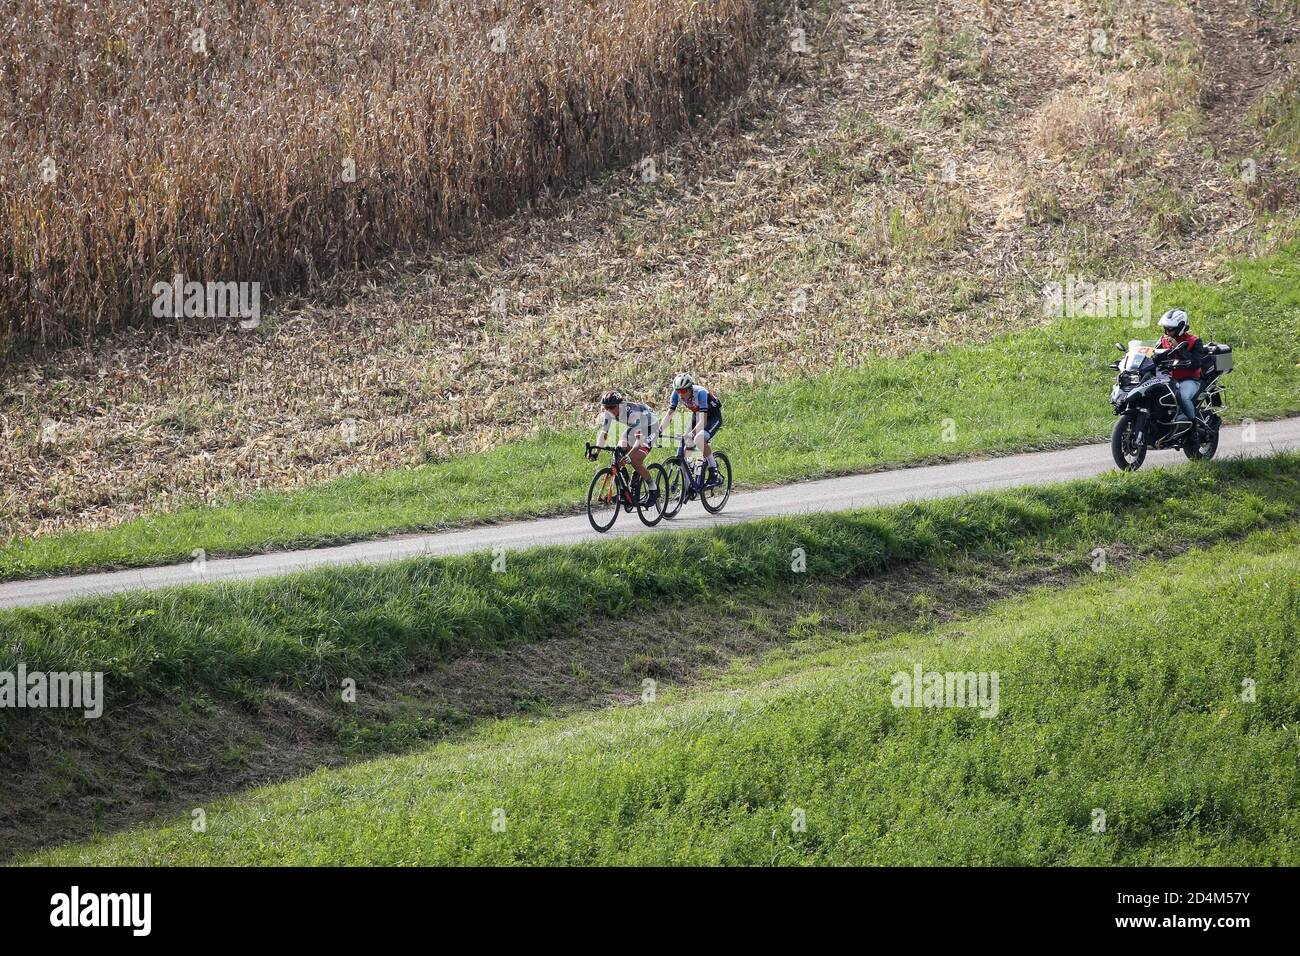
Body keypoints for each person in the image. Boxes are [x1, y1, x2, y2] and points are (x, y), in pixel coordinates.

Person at [590, 391, 658, 505]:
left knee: (635, 460)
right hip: (634, 428)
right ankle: (623, 486)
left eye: (611, 407)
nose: (609, 410)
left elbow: (639, 439)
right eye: (606, 407)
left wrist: (629, 455)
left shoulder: (632, 413)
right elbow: (604, 433)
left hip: (649, 428)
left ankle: (653, 489)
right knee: (618, 453)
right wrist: (597, 451)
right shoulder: (608, 413)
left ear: (620, 405)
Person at [668, 372, 723, 486]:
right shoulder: (676, 394)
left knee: (698, 439)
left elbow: (703, 421)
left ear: (690, 389)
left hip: (712, 416)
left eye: (683, 391)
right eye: (678, 391)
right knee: (684, 447)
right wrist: (658, 430)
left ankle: (714, 469)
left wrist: (692, 434)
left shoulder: (701, 393)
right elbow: (669, 414)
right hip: (697, 414)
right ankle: (687, 487)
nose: (680, 394)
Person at [1156, 308, 1208, 425]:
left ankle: (1193, 428)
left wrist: (1178, 348)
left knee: (1183, 397)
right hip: (1168, 379)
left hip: (1190, 379)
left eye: (1171, 329)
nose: (1168, 332)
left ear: (1181, 328)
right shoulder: (1162, 340)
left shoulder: (1194, 341)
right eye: (1166, 329)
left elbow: (1195, 363)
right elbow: (1153, 355)